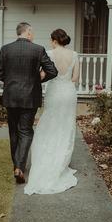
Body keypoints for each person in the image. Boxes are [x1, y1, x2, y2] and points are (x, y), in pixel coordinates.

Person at [0, 22, 58, 184]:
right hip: (30, 97)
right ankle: (19, 168)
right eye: (33, 32)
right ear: (28, 32)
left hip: (10, 96)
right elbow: (52, 71)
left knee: (14, 132)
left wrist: (11, 81)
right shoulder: (38, 49)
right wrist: (37, 78)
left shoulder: (6, 49)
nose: (34, 35)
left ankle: (17, 166)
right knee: (26, 131)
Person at [24, 29, 79, 195]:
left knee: (50, 124)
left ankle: (48, 158)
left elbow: (42, 75)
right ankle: (61, 161)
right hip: (69, 92)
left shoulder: (48, 53)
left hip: (54, 92)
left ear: (54, 40)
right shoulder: (74, 54)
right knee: (65, 126)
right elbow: (76, 78)